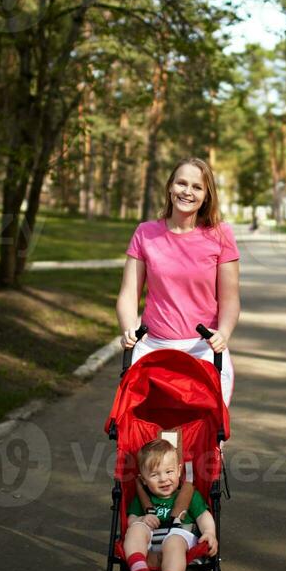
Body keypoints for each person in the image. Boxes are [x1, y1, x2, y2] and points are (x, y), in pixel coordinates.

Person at [116, 156, 240, 407]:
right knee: (150, 441)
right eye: (181, 183)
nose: (187, 191)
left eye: (197, 187)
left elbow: (230, 299)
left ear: (207, 195)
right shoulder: (145, 233)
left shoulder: (220, 235)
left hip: (204, 350)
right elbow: (129, 294)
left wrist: (223, 333)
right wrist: (129, 328)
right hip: (153, 348)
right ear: (170, 187)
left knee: (203, 439)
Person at [124, 439, 218, 571]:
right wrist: (141, 519)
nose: (163, 479)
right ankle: (137, 564)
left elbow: (203, 516)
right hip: (149, 547)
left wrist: (209, 533)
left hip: (179, 537)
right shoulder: (142, 499)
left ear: (179, 471)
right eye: (154, 474)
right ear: (144, 480)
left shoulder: (189, 496)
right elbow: (130, 520)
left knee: (173, 542)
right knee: (135, 529)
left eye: (169, 472)